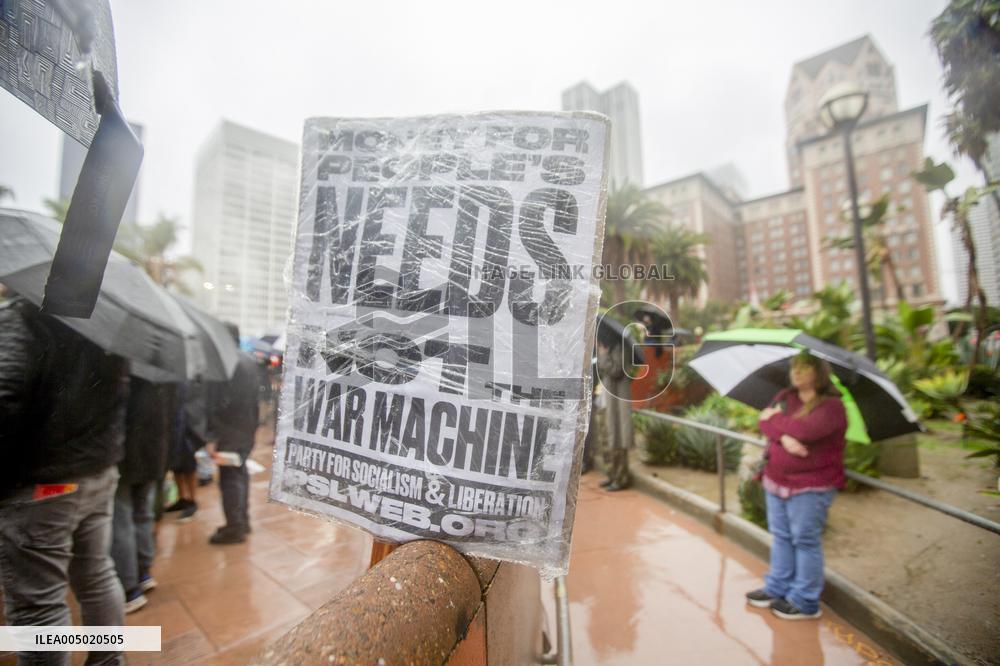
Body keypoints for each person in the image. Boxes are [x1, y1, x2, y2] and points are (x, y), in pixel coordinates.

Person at [0, 297, 128, 665]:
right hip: (97, 472)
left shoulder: (21, 318)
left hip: (42, 482)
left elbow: (4, 400)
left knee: (39, 605)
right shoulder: (107, 322)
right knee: (97, 574)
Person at [745, 352, 847, 620]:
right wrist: (785, 439)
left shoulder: (832, 407)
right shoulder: (785, 397)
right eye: (794, 368)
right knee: (781, 536)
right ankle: (777, 587)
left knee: (804, 539)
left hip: (811, 486)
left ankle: (805, 601)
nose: (796, 373)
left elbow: (805, 431)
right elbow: (762, 423)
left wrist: (778, 426)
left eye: (804, 368)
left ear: (819, 373)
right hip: (776, 481)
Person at [111, 378, 175, 614]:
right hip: (151, 454)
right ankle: (143, 572)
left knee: (123, 518)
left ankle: (129, 587)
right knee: (142, 513)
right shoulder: (160, 371)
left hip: (125, 455)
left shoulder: (123, 369)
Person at [205, 323, 260, 545]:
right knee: (240, 475)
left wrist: (211, 436)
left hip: (228, 431)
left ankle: (234, 527)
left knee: (230, 480)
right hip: (245, 428)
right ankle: (242, 521)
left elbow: (216, 402)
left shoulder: (224, 363)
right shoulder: (249, 360)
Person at [595, 340, 634, 491]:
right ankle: (611, 475)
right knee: (607, 440)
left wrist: (604, 356)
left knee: (617, 438)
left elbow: (616, 370)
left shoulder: (621, 347)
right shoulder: (608, 346)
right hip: (605, 401)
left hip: (616, 402)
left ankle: (621, 478)